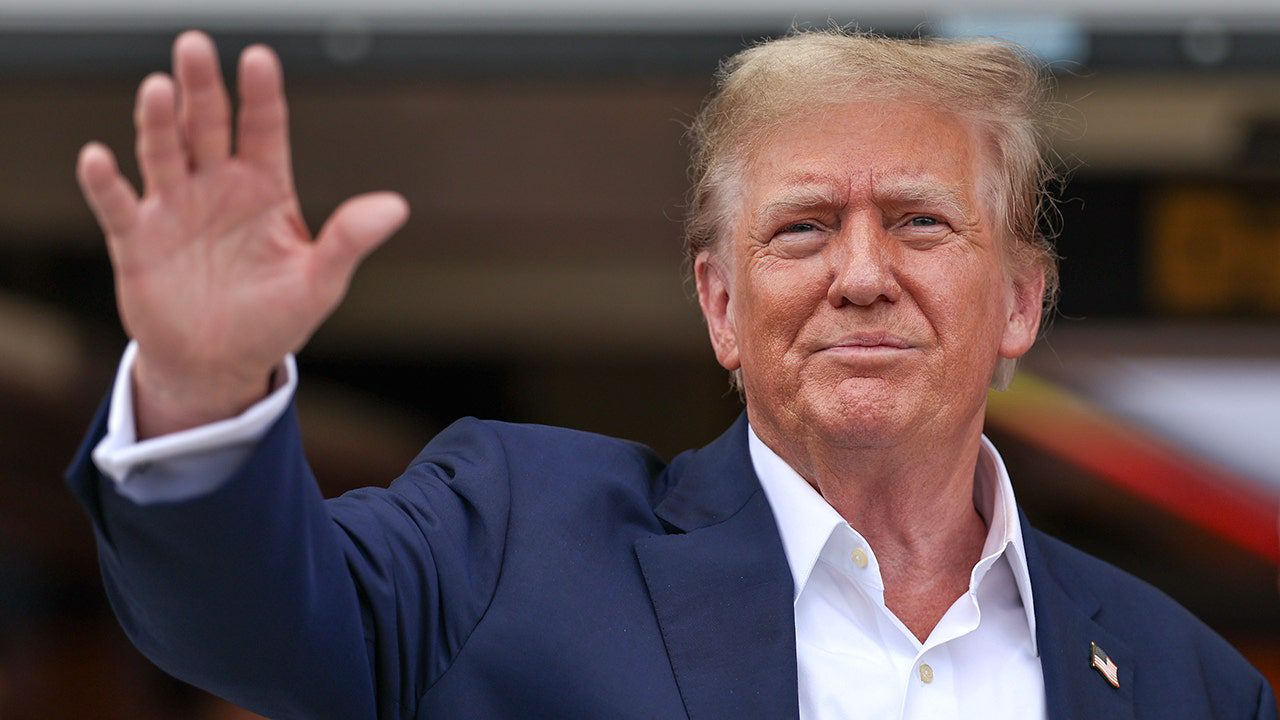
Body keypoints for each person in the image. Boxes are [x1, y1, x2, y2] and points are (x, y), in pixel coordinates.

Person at [67, 28, 1274, 720]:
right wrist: (200, 388)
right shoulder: (509, 538)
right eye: (800, 229)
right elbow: (245, 628)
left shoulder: (1185, 683)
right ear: (718, 305)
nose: (859, 274)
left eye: (918, 224)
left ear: (1018, 300)